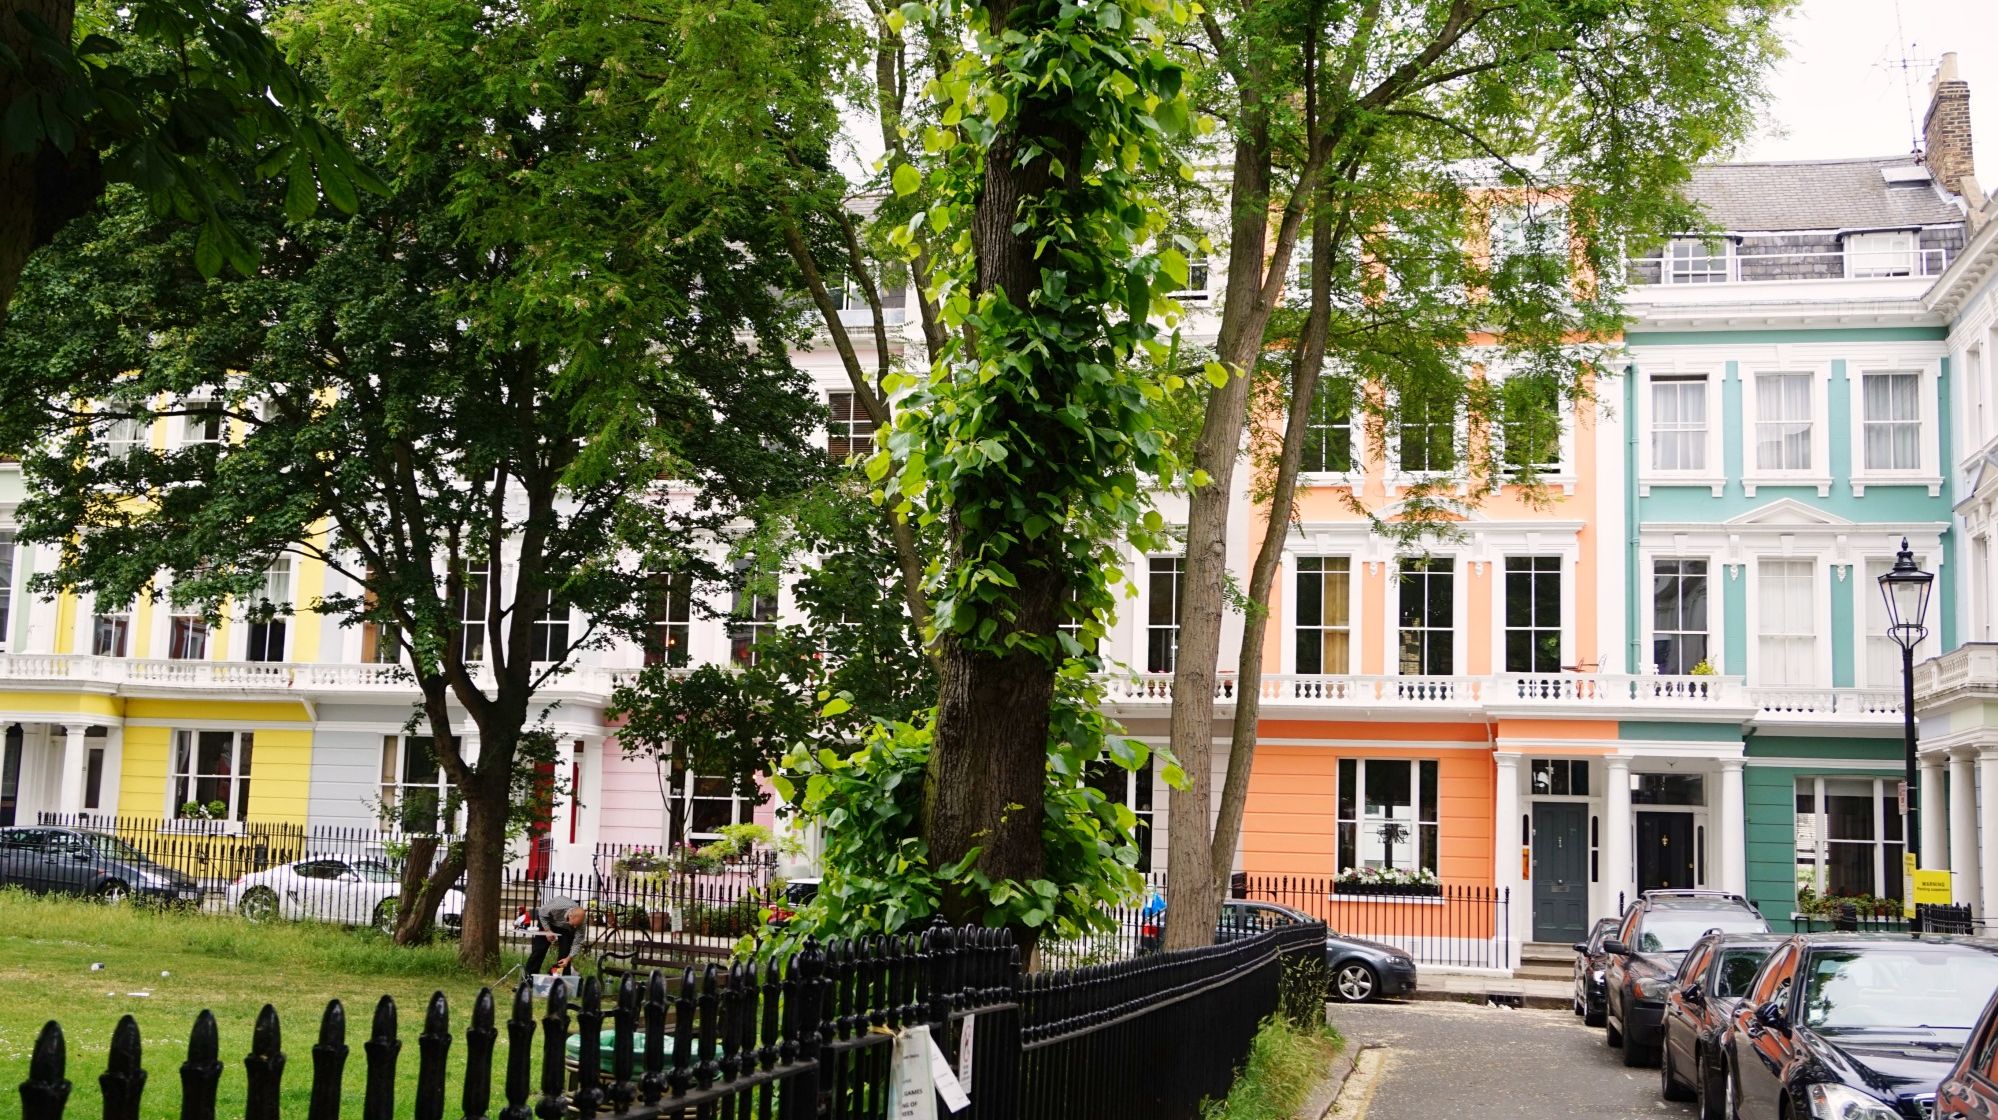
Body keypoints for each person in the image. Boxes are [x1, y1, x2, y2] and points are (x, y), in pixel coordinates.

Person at [523, 889, 588, 975]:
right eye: (574, 925)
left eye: (577, 925)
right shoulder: (557, 906)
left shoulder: (581, 922)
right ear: (570, 915)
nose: (575, 927)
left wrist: (568, 959)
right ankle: (529, 976)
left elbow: (578, 942)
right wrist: (548, 930)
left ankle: (560, 978)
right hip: (548, 920)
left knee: (565, 953)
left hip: (565, 927)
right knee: (540, 949)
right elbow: (541, 913)